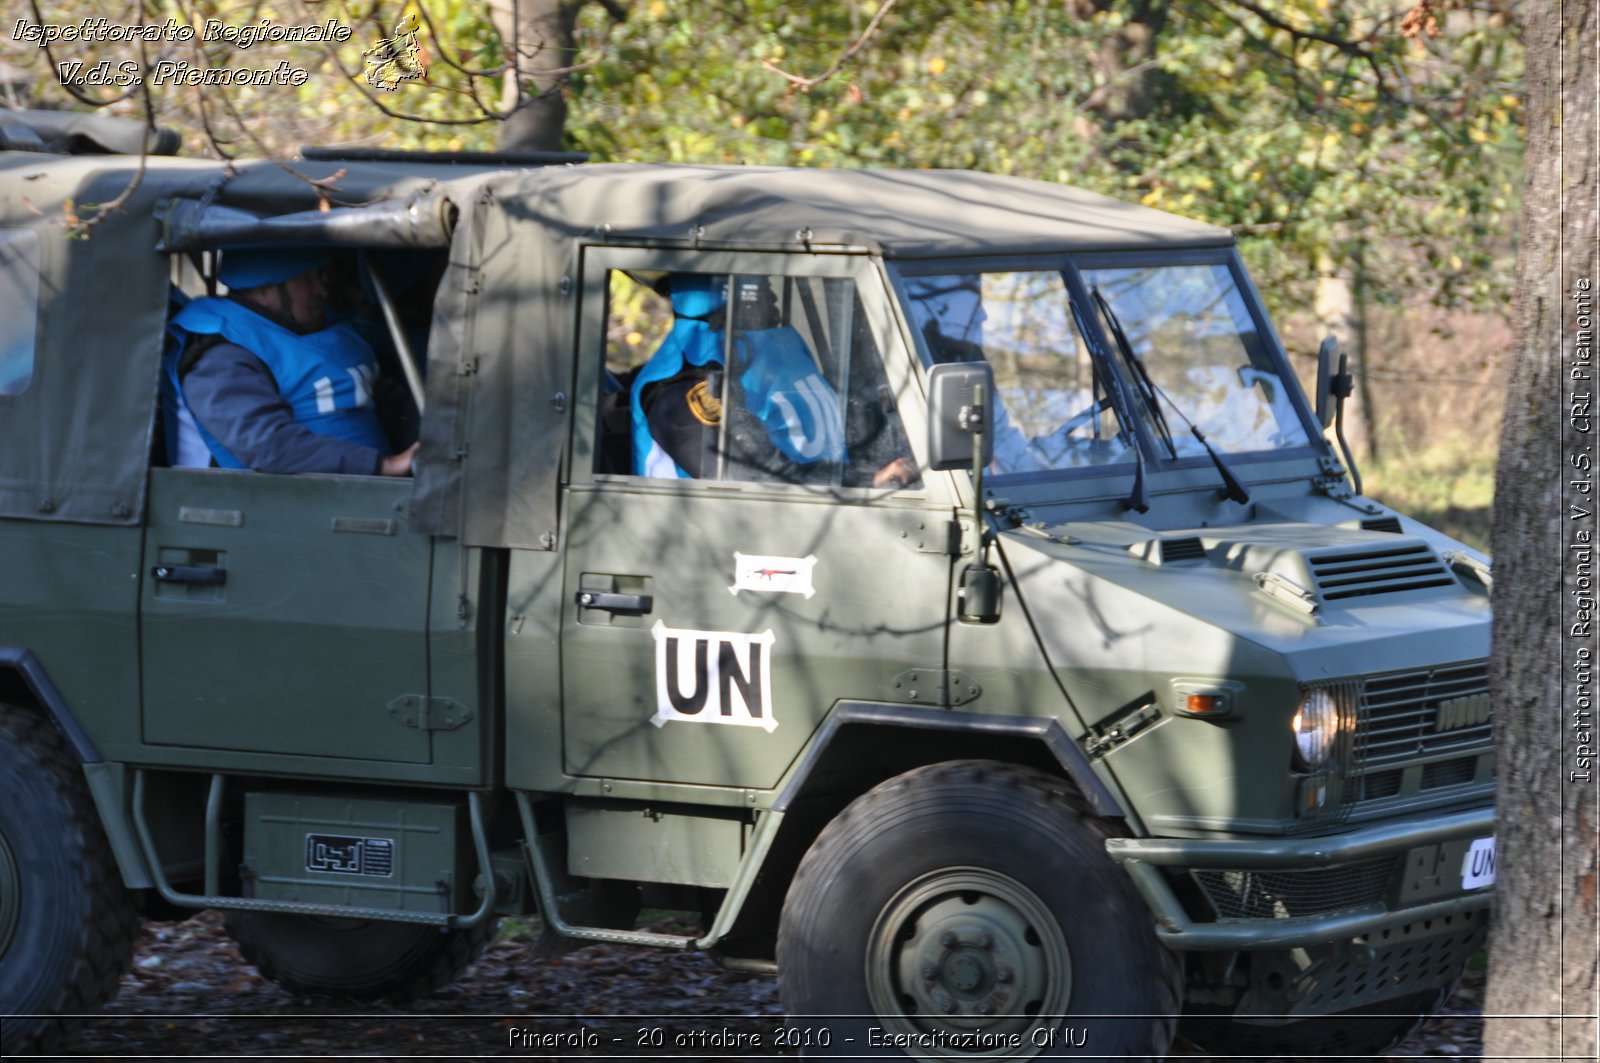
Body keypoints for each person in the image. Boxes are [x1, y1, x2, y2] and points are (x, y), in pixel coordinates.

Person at [630, 275, 915, 487]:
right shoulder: (685, 379)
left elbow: (842, 436)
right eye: (757, 283)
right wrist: (868, 482)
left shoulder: (777, 349)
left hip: (822, 527)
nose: (770, 294)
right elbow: (748, 476)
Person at [164, 247, 417, 476]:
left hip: (365, 498)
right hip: (280, 512)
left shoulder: (324, 329)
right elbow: (268, 446)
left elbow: (386, 399)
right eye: (307, 279)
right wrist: (385, 466)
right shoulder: (221, 354)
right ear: (262, 288)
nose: (321, 290)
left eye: (321, 277)